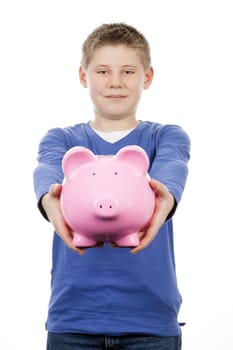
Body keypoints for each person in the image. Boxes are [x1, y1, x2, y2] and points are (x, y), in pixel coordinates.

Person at [33, 23, 190, 350]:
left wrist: (164, 198)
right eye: (103, 71)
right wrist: (50, 200)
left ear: (147, 77)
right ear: (83, 76)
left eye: (128, 71)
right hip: (73, 318)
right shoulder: (63, 139)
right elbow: (47, 167)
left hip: (151, 321)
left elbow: (172, 165)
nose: (115, 82)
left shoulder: (163, 138)